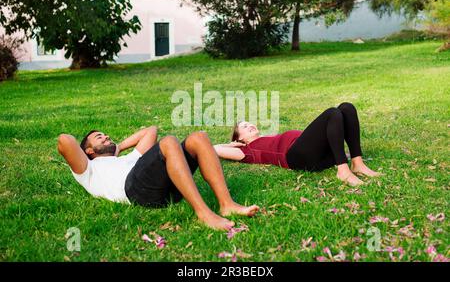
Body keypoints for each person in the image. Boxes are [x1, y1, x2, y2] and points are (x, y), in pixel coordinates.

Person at [57, 127, 259, 231]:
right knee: (169, 141)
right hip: (135, 191)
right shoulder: (88, 169)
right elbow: (64, 141)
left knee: (199, 137)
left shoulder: (129, 158)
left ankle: (227, 204)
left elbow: (150, 130)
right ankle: (204, 213)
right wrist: (85, 156)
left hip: (162, 186)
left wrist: (118, 148)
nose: (106, 136)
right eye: (99, 137)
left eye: (105, 135)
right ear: (89, 150)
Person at [214, 102, 383, 186]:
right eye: (244, 127)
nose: (249, 125)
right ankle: (343, 171)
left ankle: (357, 163)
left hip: (316, 155)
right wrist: (231, 145)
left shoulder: (264, 139)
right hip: (297, 157)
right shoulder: (247, 151)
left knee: (346, 108)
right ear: (240, 139)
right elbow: (213, 149)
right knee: (332, 113)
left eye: (249, 123)